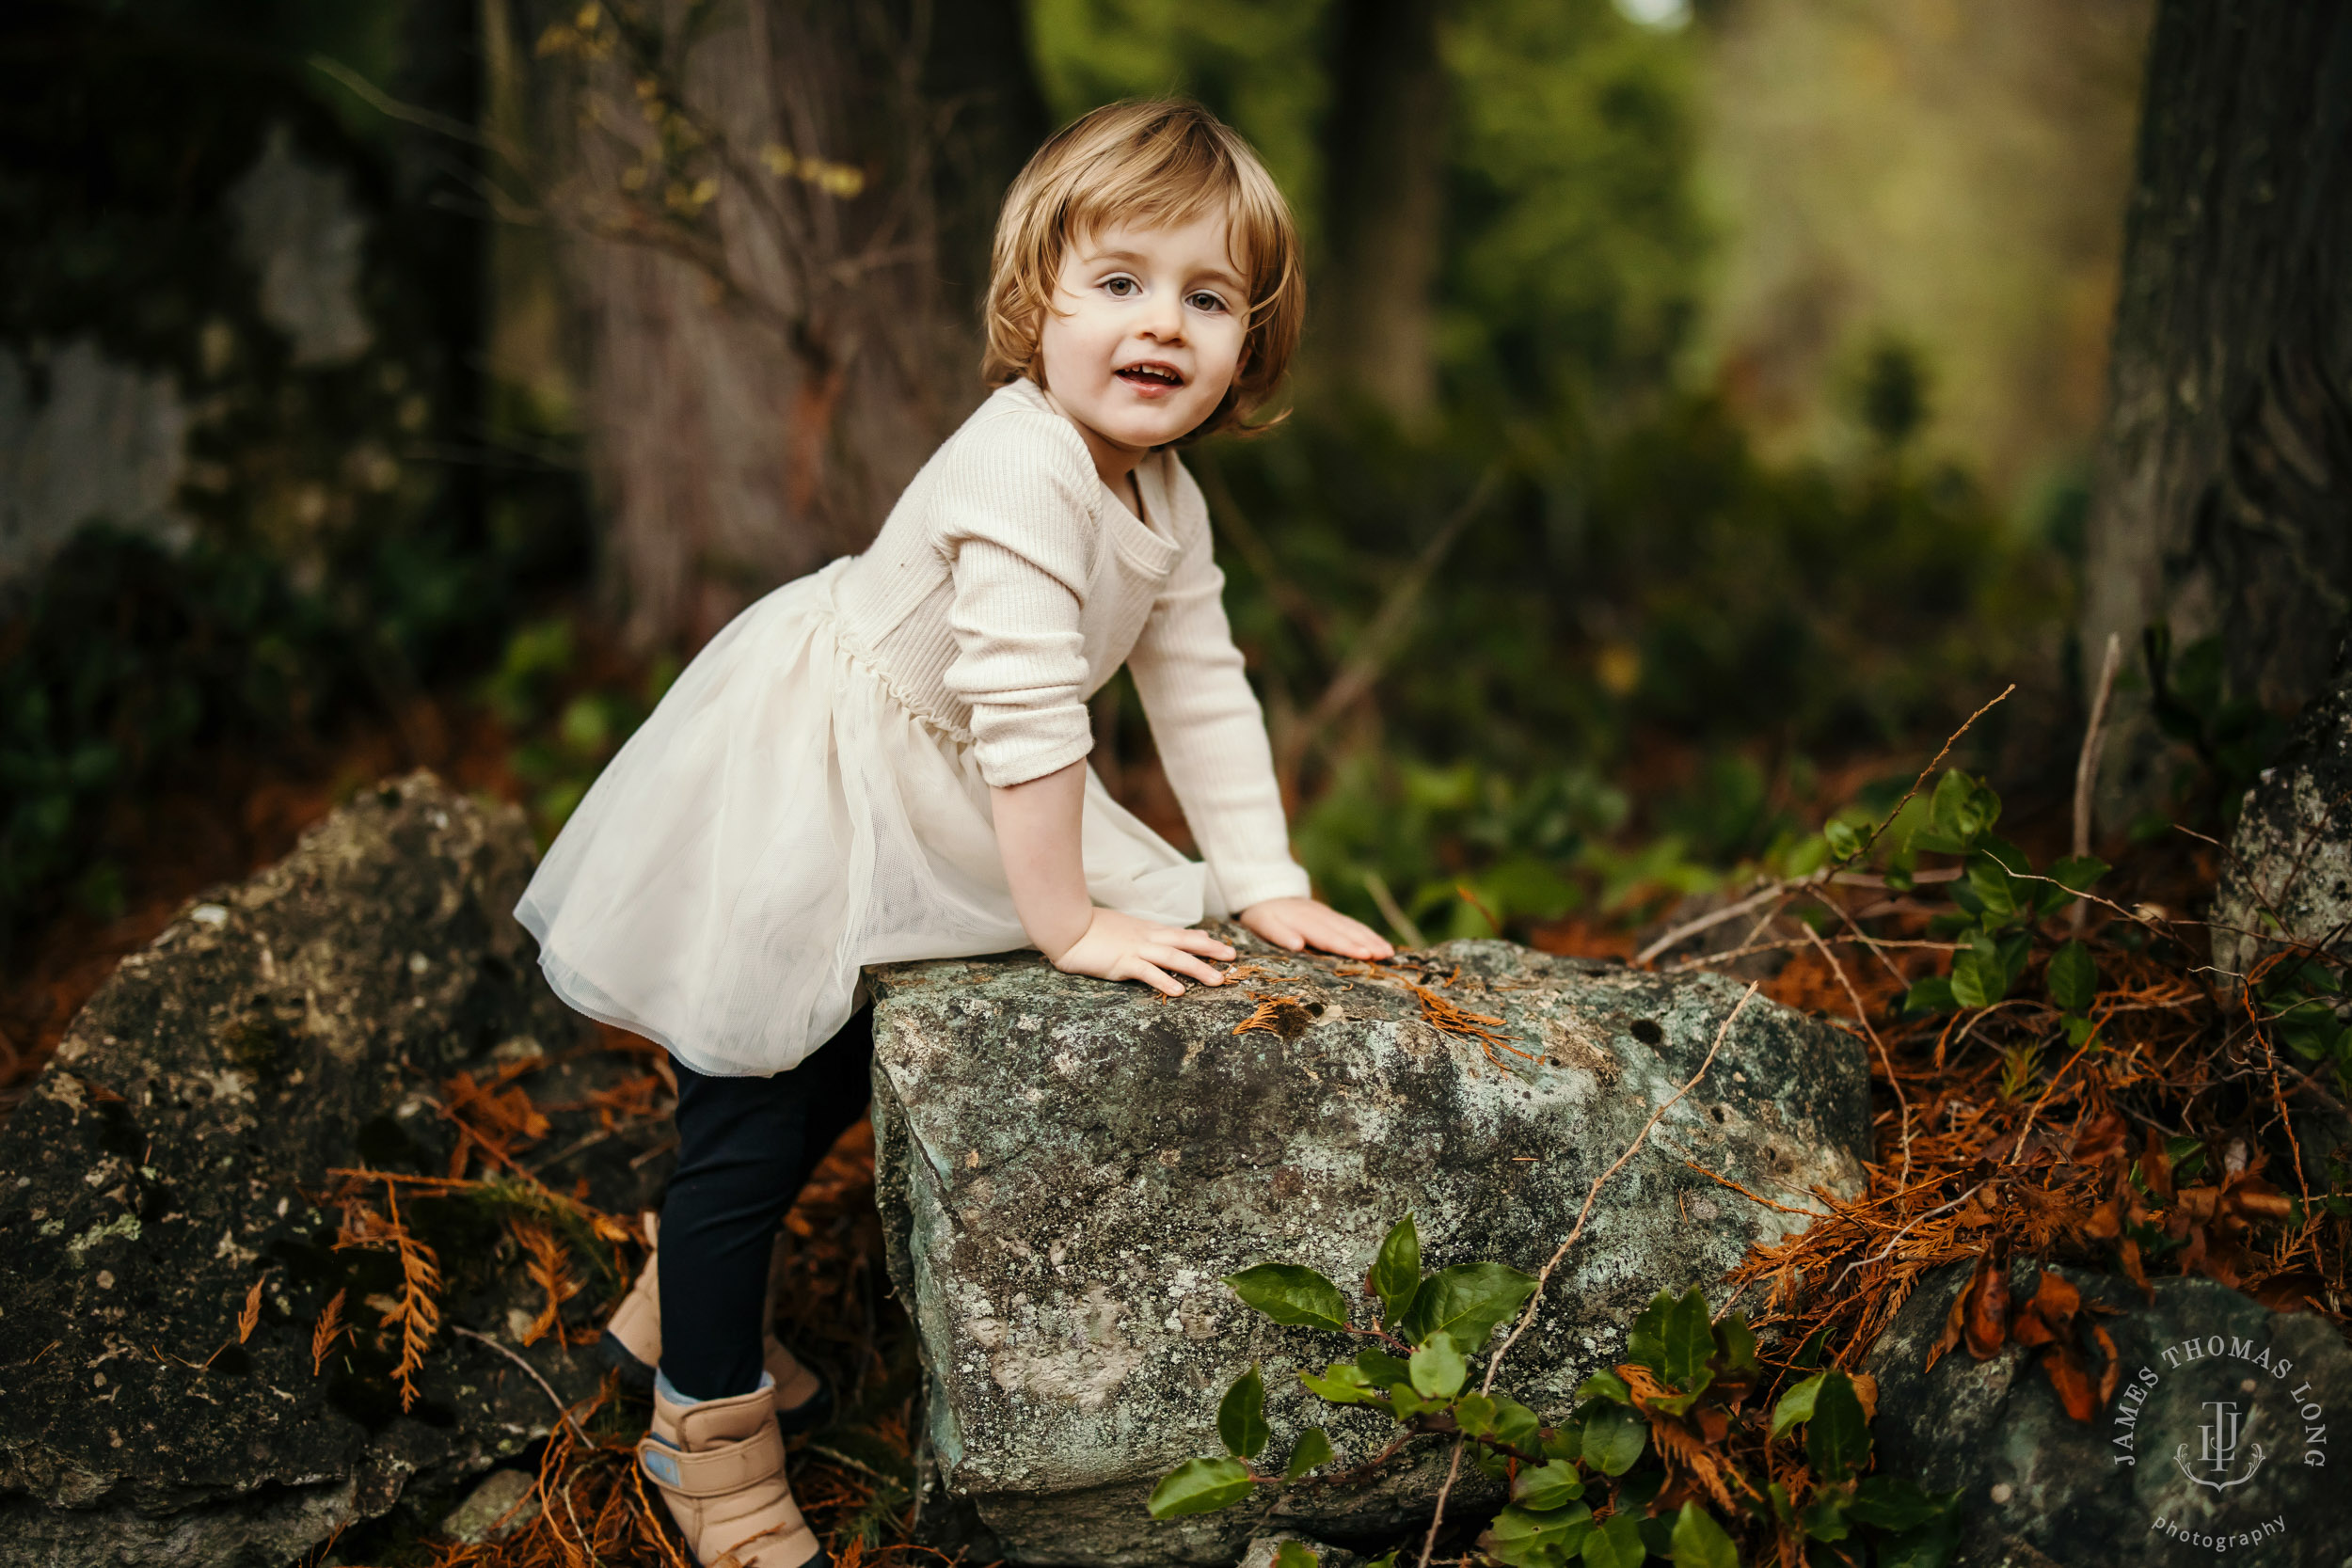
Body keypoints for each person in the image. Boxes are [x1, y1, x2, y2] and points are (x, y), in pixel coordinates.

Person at [514, 98, 1393, 1568]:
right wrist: (1069, 921)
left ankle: (687, 1294)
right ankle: (702, 1426)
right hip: (822, 767)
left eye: (1209, 297)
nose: (1160, 325)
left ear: (1253, 341)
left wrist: (1267, 881)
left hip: (958, 779)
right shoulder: (1019, 468)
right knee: (756, 1082)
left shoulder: (1166, 495)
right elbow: (1032, 716)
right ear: (1035, 298)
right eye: (1119, 282)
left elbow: (1200, 681)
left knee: (867, 1041)